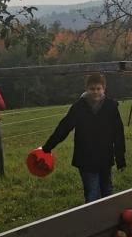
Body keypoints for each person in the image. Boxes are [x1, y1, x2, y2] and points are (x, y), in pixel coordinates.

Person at [41, 73, 126, 203]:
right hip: (86, 159)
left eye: (98, 88)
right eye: (92, 89)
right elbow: (63, 128)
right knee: (92, 193)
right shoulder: (78, 108)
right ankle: (93, 221)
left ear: (104, 88)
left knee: (107, 190)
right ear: (86, 89)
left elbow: (118, 133)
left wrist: (120, 158)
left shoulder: (111, 107)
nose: (95, 92)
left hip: (105, 157)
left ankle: (107, 219)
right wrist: (48, 147)